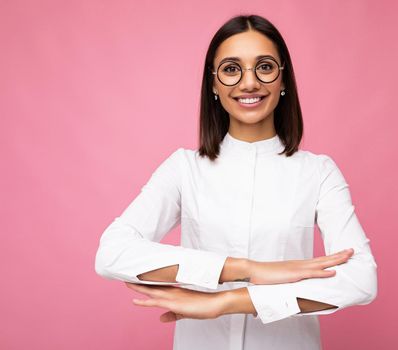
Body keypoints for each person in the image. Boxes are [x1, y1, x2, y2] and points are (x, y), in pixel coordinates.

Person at [95, 13, 377, 350]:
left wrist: (229, 301)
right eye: (231, 69)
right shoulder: (184, 168)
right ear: (213, 83)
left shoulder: (318, 172)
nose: (249, 83)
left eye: (265, 67)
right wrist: (246, 269)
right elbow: (112, 253)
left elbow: (361, 279)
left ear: (283, 78)